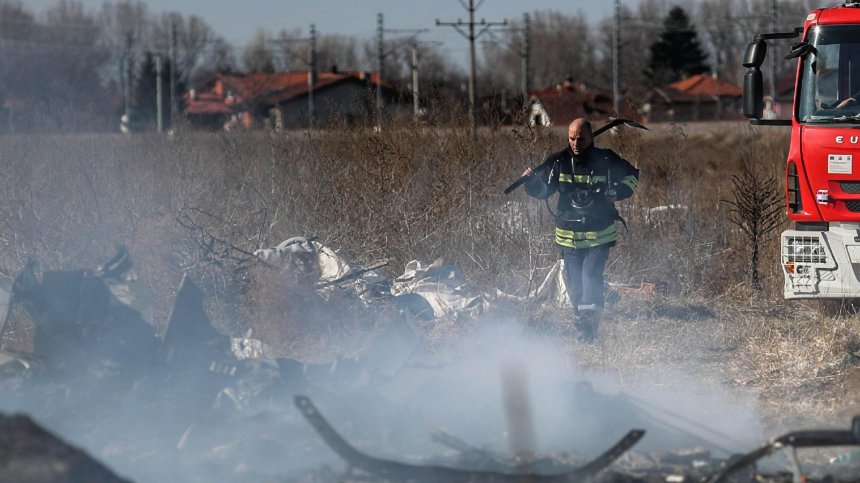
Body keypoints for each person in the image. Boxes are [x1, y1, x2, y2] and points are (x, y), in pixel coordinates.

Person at [521, 118, 639, 342]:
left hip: (598, 234)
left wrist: (615, 192)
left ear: (591, 138)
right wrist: (531, 182)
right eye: (571, 138)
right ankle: (584, 321)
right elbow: (545, 192)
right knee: (575, 285)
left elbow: (632, 176)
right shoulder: (558, 162)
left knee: (590, 276)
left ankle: (589, 324)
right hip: (568, 236)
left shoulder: (606, 159)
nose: (575, 143)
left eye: (581, 139)